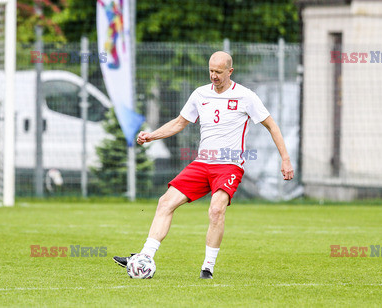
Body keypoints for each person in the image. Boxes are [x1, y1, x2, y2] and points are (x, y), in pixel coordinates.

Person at [113, 51, 294, 279]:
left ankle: (207, 267)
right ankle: (145, 257)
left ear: (230, 71)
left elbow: (272, 126)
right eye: (211, 71)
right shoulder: (200, 94)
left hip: (228, 165)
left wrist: (285, 159)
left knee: (216, 210)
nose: (214, 76)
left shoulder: (246, 96)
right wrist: (152, 136)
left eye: (219, 72)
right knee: (165, 202)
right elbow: (180, 123)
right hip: (202, 164)